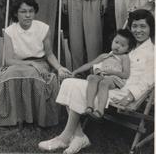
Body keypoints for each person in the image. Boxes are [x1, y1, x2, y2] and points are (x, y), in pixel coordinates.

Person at [38, 9, 154, 154]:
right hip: (108, 82)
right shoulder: (129, 45)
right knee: (69, 82)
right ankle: (78, 136)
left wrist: (131, 96)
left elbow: (149, 81)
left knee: (76, 87)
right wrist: (98, 69)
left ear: (151, 28)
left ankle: (65, 137)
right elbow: (109, 61)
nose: (138, 30)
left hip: (123, 91)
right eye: (135, 26)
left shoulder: (152, 52)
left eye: (143, 26)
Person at [0, 0, 71, 127]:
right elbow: (8, 60)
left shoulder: (43, 28)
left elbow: (49, 54)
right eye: (23, 12)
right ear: (15, 13)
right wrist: (30, 63)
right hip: (17, 64)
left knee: (33, 75)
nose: (28, 15)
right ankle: (12, 117)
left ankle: (32, 117)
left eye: (31, 11)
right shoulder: (10, 31)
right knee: (11, 74)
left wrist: (59, 68)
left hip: (40, 63)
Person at [72, 29, 136, 119]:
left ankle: (100, 111)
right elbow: (90, 64)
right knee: (92, 77)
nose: (118, 46)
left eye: (122, 45)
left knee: (104, 83)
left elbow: (126, 74)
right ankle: (89, 106)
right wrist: (76, 71)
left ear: (128, 49)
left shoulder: (124, 57)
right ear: (112, 40)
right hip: (103, 76)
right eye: (116, 42)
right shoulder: (104, 56)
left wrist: (112, 72)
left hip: (115, 79)